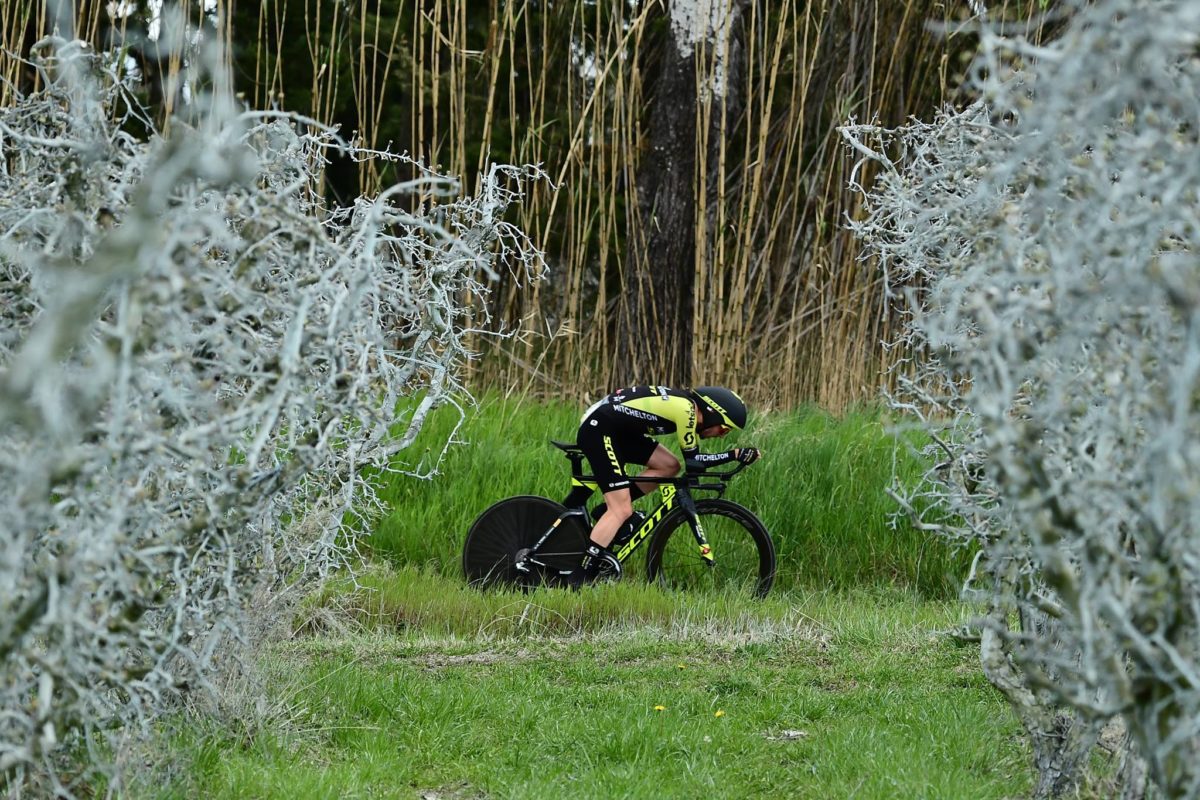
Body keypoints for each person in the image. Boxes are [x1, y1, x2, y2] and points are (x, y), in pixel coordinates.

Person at [568, 385, 760, 587]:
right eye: (724, 428)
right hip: (601, 429)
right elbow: (695, 462)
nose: (722, 435)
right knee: (621, 509)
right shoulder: (686, 409)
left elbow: (688, 465)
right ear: (712, 413)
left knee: (669, 466)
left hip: (616, 429)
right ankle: (579, 577)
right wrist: (735, 455)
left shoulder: (685, 405)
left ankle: (606, 512)